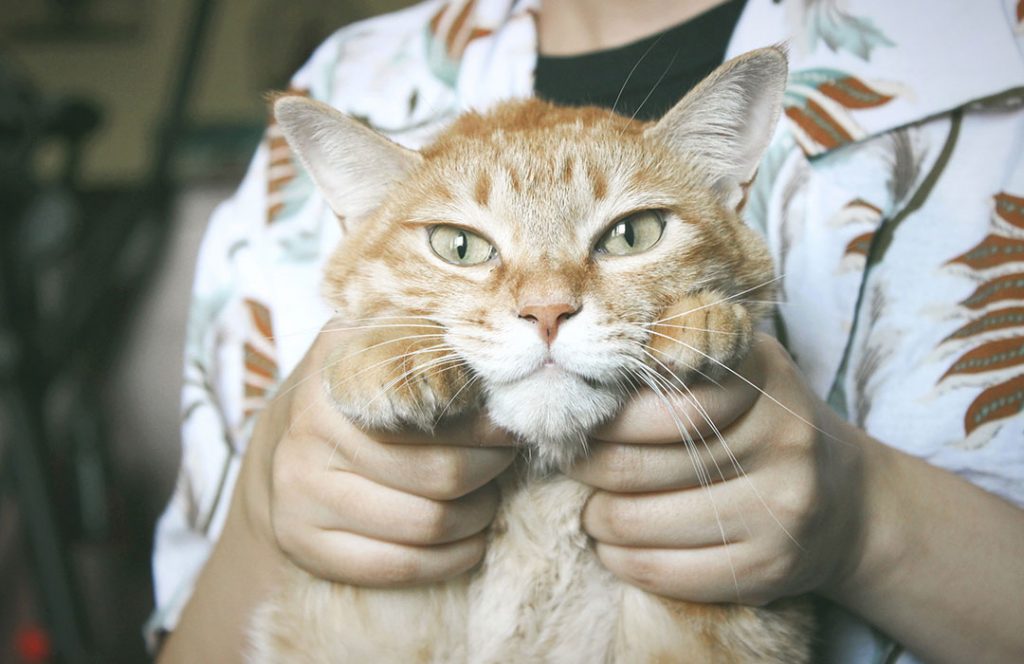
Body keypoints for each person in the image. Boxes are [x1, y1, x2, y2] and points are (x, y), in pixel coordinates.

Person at [150, 1, 1024, 662]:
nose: (545, 302)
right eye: (463, 245)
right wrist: (263, 512)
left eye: (630, 233)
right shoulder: (341, 82)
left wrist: (866, 519)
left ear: (731, 191)